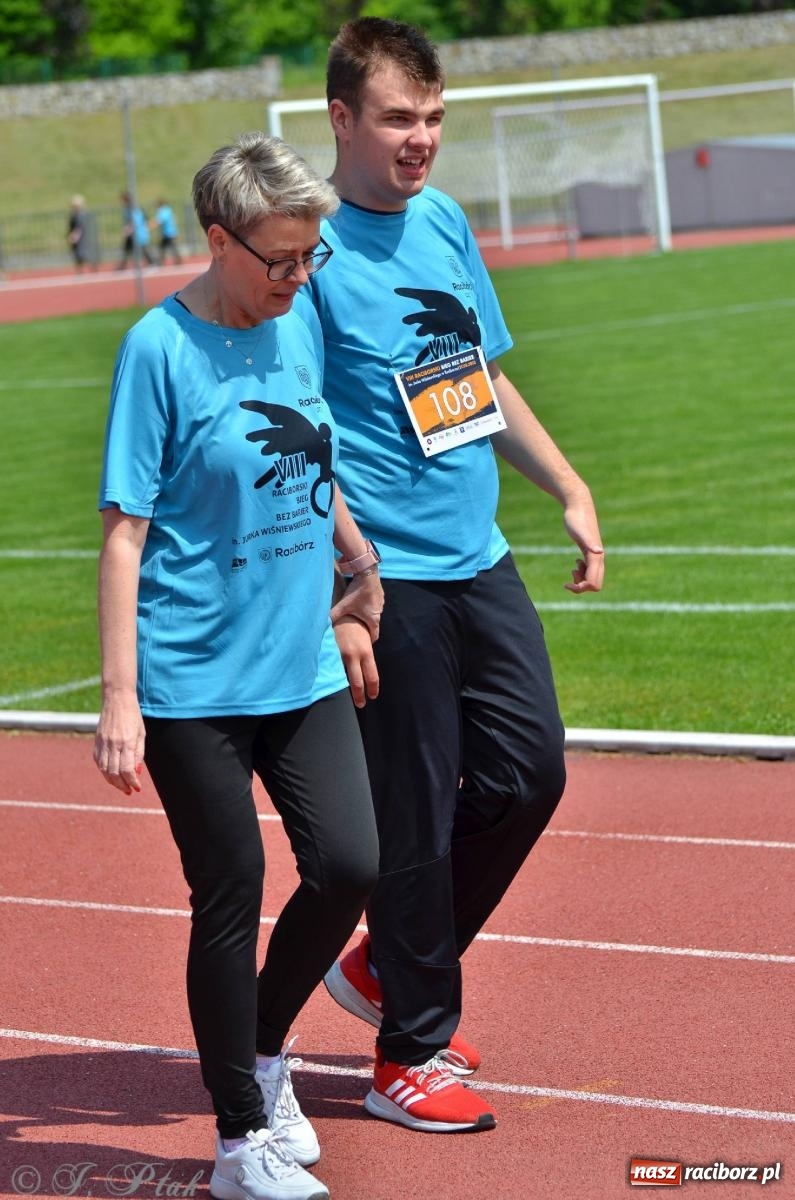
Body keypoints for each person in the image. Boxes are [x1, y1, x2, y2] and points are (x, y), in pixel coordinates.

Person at [311, 18, 605, 1134]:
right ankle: (408, 1057)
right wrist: (345, 570)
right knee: (418, 814)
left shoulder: (439, 221)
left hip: (477, 554)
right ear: (341, 118)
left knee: (531, 774)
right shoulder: (313, 249)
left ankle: (390, 961)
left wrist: (565, 485)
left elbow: (471, 380)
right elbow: (288, 423)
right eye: (397, 118)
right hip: (386, 576)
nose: (420, 138)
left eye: (434, 117)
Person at [93, 132, 384, 1200]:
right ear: (219, 240)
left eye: (312, 258)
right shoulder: (156, 352)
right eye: (279, 259)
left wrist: (359, 558)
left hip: (301, 660)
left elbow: (313, 452)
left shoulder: (294, 317)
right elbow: (124, 535)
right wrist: (121, 700)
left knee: (351, 864)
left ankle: (262, 1053)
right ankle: (236, 1141)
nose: (299, 277)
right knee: (232, 893)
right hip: (192, 685)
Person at [116, 190, 154, 269]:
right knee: (127, 250)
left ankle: (152, 263)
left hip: (136, 233)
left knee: (143, 249)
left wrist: (128, 230)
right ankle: (122, 267)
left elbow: (133, 221)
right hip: (135, 233)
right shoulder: (130, 208)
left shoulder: (131, 209)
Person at [151, 197, 183, 264]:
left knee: (172, 248)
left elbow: (160, 220)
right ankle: (161, 261)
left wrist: (150, 226)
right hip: (167, 233)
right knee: (163, 248)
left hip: (169, 233)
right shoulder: (167, 210)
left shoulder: (164, 210)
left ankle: (178, 260)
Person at [66, 194, 88, 271]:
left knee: (80, 254)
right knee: (76, 254)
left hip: (79, 239)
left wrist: (74, 236)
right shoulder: (74, 215)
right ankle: (80, 270)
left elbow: (79, 228)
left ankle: (82, 270)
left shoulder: (80, 215)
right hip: (76, 238)